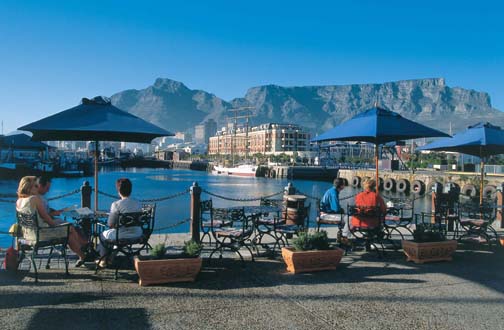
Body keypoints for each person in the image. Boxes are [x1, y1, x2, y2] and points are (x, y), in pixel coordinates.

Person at [15, 176, 91, 267]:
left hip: (28, 235)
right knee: (69, 228)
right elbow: (47, 218)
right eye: (35, 186)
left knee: (69, 234)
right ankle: (84, 249)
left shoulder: (19, 201)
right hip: (42, 234)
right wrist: (58, 226)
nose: (37, 187)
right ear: (29, 187)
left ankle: (83, 256)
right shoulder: (35, 199)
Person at [97, 178, 142, 268]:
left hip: (123, 234)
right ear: (130, 190)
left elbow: (110, 224)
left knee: (103, 235)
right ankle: (110, 258)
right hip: (137, 233)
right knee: (115, 236)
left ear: (118, 190)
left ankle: (103, 260)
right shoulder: (137, 203)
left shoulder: (116, 204)